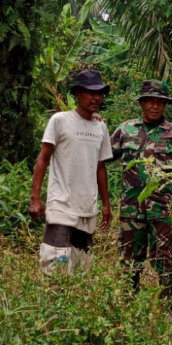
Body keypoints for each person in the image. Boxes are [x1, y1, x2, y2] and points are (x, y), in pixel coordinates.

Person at [110, 80, 172, 309]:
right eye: (150, 101)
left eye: (160, 102)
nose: (155, 106)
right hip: (131, 209)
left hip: (163, 209)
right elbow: (103, 155)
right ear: (142, 103)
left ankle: (168, 312)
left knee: (167, 261)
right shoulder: (125, 130)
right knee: (129, 262)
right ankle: (129, 309)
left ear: (165, 105)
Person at [29, 69, 113, 275]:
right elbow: (43, 159)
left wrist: (106, 204)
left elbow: (101, 167)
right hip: (61, 206)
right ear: (77, 94)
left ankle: (73, 304)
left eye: (100, 93)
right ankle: (53, 304)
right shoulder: (60, 120)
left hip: (87, 208)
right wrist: (35, 198)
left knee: (81, 266)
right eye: (90, 92)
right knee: (55, 263)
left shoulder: (101, 128)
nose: (96, 97)